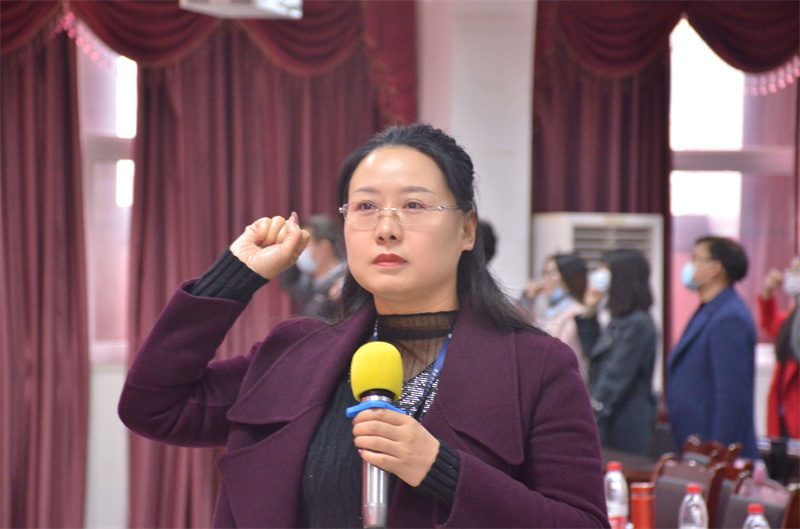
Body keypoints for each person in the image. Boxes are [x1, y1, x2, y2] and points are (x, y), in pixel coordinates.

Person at [117, 124, 609, 528]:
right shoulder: (295, 352)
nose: (386, 229)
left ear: (466, 230)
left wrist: (443, 472)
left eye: (414, 206)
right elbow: (153, 407)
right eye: (366, 207)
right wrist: (235, 275)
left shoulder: (535, 366)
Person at [666, 236, 759, 459]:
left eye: (696, 258)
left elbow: (731, 397)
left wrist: (717, 453)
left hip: (712, 449)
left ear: (715, 268)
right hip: (693, 443)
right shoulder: (710, 310)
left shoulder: (729, 318)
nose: (689, 266)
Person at [574, 249, 657, 455]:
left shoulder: (638, 323)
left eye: (606, 270)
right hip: (609, 418)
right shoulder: (620, 320)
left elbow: (615, 376)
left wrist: (592, 411)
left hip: (624, 423)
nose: (599, 276)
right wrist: (589, 313)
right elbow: (594, 354)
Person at [519, 253, 589, 382]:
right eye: (544, 274)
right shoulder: (551, 312)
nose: (544, 280)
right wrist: (527, 301)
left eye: (550, 273)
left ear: (568, 277)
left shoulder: (577, 313)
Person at [757, 256, 800, 439]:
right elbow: (771, 324)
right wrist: (767, 292)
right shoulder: (793, 317)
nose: (792, 277)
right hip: (783, 411)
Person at [280, 214, 346, 320]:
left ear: (324, 247)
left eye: (305, 244)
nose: (299, 250)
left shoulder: (346, 280)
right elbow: (288, 284)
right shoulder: (307, 280)